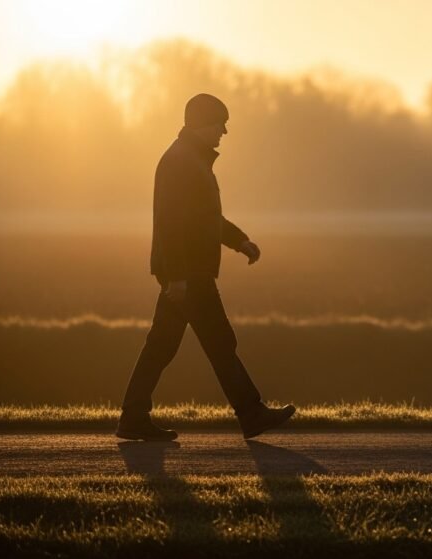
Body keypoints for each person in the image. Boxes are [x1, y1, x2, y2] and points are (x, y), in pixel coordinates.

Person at [116, 93, 295, 441]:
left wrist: (239, 240)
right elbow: (170, 223)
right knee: (217, 342)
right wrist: (179, 276)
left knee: (165, 345)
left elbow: (205, 220)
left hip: (188, 272)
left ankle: (133, 417)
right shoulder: (180, 162)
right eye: (219, 123)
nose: (224, 131)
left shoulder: (190, 160)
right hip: (189, 274)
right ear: (201, 125)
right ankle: (252, 413)